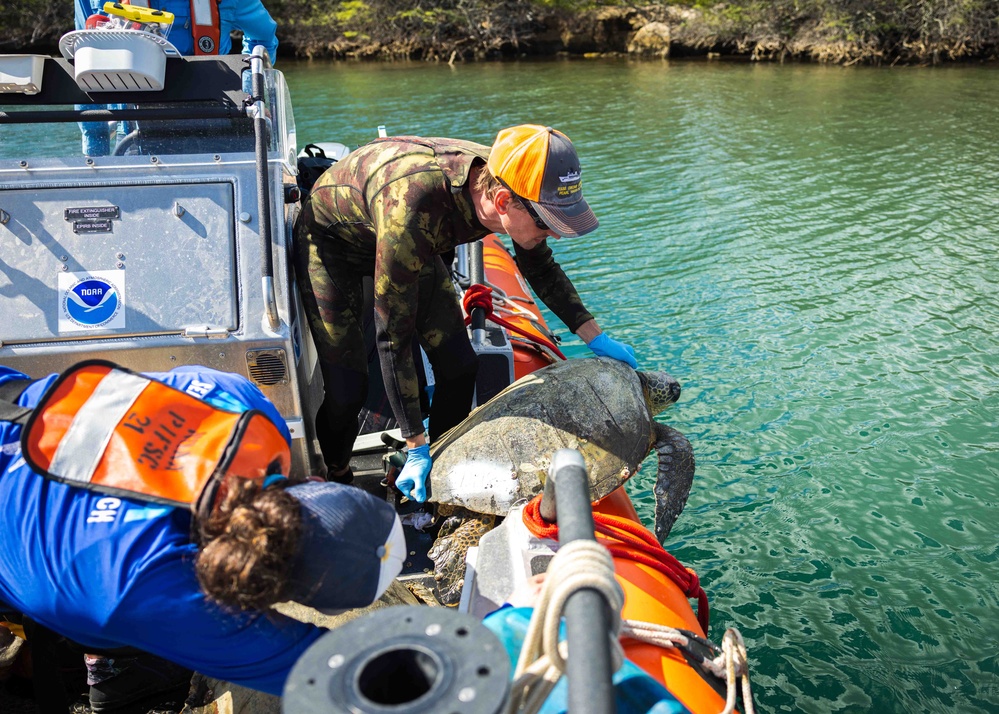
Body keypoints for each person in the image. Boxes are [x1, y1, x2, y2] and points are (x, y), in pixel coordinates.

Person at [0, 364, 404, 709]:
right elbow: (346, 675)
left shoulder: (248, 407)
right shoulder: (169, 591)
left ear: (315, 482)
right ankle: (111, 667)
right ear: (278, 590)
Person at [294, 124, 639, 503]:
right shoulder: (414, 207)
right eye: (547, 221)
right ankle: (339, 475)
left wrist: (595, 337)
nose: (555, 233)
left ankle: (444, 475)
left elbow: (540, 267)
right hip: (333, 244)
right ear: (504, 201)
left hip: (410, 241)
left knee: (460, 366)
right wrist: (414, 445)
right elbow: (393, 335)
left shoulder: (511, 183)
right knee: (348, 390)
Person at [73, 0, 279, 156]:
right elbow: (82, 58)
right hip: (133, 135)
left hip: (221, 129)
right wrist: (95, 160)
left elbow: (263, 36)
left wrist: (250, 91)